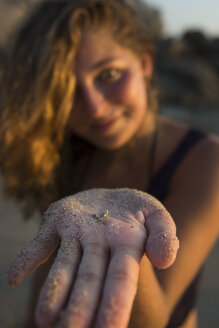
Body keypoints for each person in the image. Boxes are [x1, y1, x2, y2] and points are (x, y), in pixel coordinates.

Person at [1, 0, 219, 327]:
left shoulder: (205, 160)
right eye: (69, 90)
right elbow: (46, 279)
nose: (94, 106)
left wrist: (128, 234)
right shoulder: (68, 153)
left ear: (145, 62)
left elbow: (158, 317)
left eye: (109, 74)